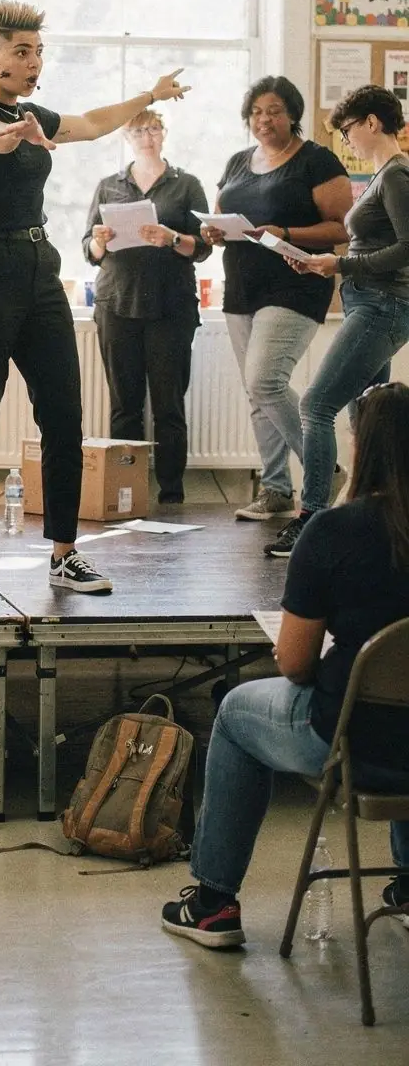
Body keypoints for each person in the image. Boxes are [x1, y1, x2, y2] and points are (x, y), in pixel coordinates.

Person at [0, 0, 189, 601]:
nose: (33, 62)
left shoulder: (37, 116)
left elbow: (94, 123)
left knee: (64, 415)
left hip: (38, 267)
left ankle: (64, 553)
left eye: (39, 52)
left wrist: (148, 95)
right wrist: (6, 137)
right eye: (21, 52)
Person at [161, 380, 409, 949]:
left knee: (234, 714)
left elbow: (295, 664)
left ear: (359, 446)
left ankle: (213, 905)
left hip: (352, 738)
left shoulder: (333, 531)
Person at [266, 84, 409, 558]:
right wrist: (318, 263)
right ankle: (373, 522)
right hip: (370, 302)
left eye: (347, 131)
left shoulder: (396, 175)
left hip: (382, 306)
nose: (345, 141)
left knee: (316, 405)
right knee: (367, 417)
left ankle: (311, 521)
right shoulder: (384, 175)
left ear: (372, 123)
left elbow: (408, 249)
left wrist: (340, 264)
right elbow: (375, 246)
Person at [201, 77, 351, 525]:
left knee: (265, 381)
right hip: (242, 287)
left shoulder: (316, 161)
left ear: (293, 114)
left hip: (295, 286)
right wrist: (214, 232)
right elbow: (223, 218)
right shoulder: (238, 162)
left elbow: (342, 229)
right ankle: (276, 491)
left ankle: (326, 471)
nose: (264, 120)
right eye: (256, 112)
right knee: (257, 391)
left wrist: (284, 232)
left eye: (274, 111)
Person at [83, 106, 211, 504]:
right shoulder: (109, 186)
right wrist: (99, 241)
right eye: (138, 131)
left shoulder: (186, 184)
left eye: (153, 128)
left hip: (171, 306)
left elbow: (203, 247)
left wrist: (171, 238)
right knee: (125, 406)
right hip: (117, 304)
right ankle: (126, 491)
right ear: (127, 138)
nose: (147, 137)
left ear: (164, 133)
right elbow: (89, 250)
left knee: (169, 405)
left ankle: (171, 493)